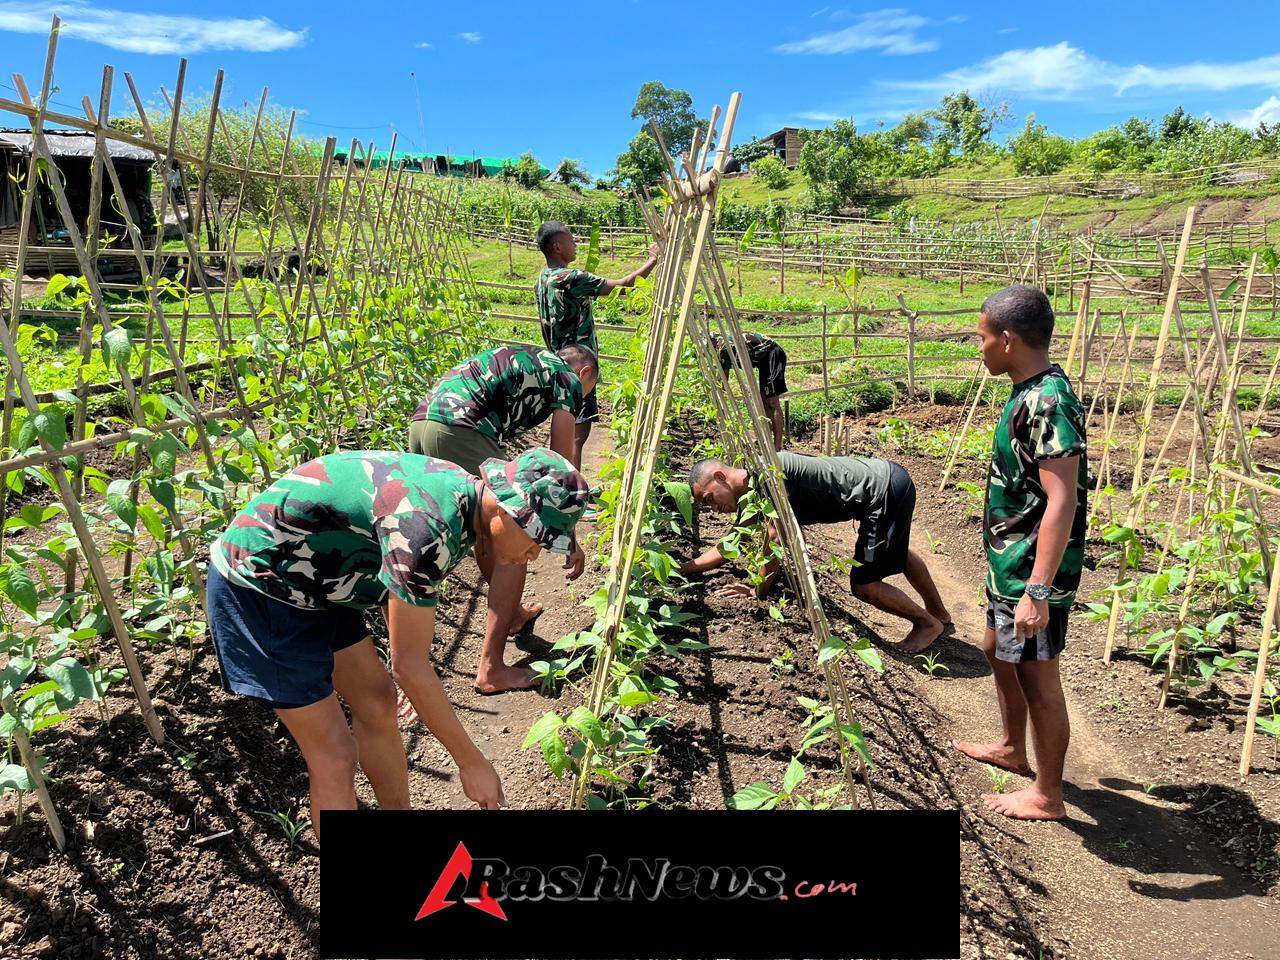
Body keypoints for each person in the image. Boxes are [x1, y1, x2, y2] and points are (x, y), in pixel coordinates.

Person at [207, 448, 588, 838]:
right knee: (334, 754)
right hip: (261, 584)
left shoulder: (462, 497)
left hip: (320, 579)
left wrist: (408, 673)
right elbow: (409, 666)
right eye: (537, 538)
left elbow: (400, 608)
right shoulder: (426, 532)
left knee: (377, 700)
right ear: (505, 510)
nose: (536, 552)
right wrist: (470, 762)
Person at [952, 284, 1086, 822]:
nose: (977, 347)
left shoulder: (1049, 402)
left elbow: (1063, 499)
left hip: (1031, 570)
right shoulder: (1027, 390)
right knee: (993, 647)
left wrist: (1038, 589)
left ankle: (1048, 794)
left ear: (1007, 339)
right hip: (1009, 562)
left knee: (1038, 677)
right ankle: (1012, 746)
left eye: (981, 337)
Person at [408, 343, 598, 692]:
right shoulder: (568, 378)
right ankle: (491, 668)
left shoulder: (532, 359)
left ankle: (513, 616)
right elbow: (557, 465)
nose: (580, 399)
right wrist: (568, 533)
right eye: (588, 392)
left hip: (424, 422)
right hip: (460, 428)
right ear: (585, 374)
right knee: (515, 531)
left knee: (487, 527)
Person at [680, 452, 951, 652]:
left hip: (882, 491)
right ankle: (938, 613)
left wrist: (757, 591)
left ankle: (927, 624)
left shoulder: (767, 478)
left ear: (720, 477)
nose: (714, 508)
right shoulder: (752, 487)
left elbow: (775, 539)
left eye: (709, 499)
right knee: (897, 553)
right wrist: (681, 569)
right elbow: (731, 544)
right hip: (888, 477)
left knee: (864, 586)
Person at [534, 220, 660, 469]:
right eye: (571, 239)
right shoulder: (570, 278)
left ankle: (559, 484)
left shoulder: (543, 278)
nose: (576, 243)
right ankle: (572, 492)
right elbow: (621, 288)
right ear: (558, 246)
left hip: (557, 361)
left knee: (563, 426)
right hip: (579, 366)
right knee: (577, 433)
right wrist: (653, 260)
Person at [711, 332, 789, 450]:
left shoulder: (723, 348)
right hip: (763, 361)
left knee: (772, 402)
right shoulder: (724, 345)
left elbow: (723, 381)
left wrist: (716, 394)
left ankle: (777, 445)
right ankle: (768, 440)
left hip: (772, 355)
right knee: (764, 402)